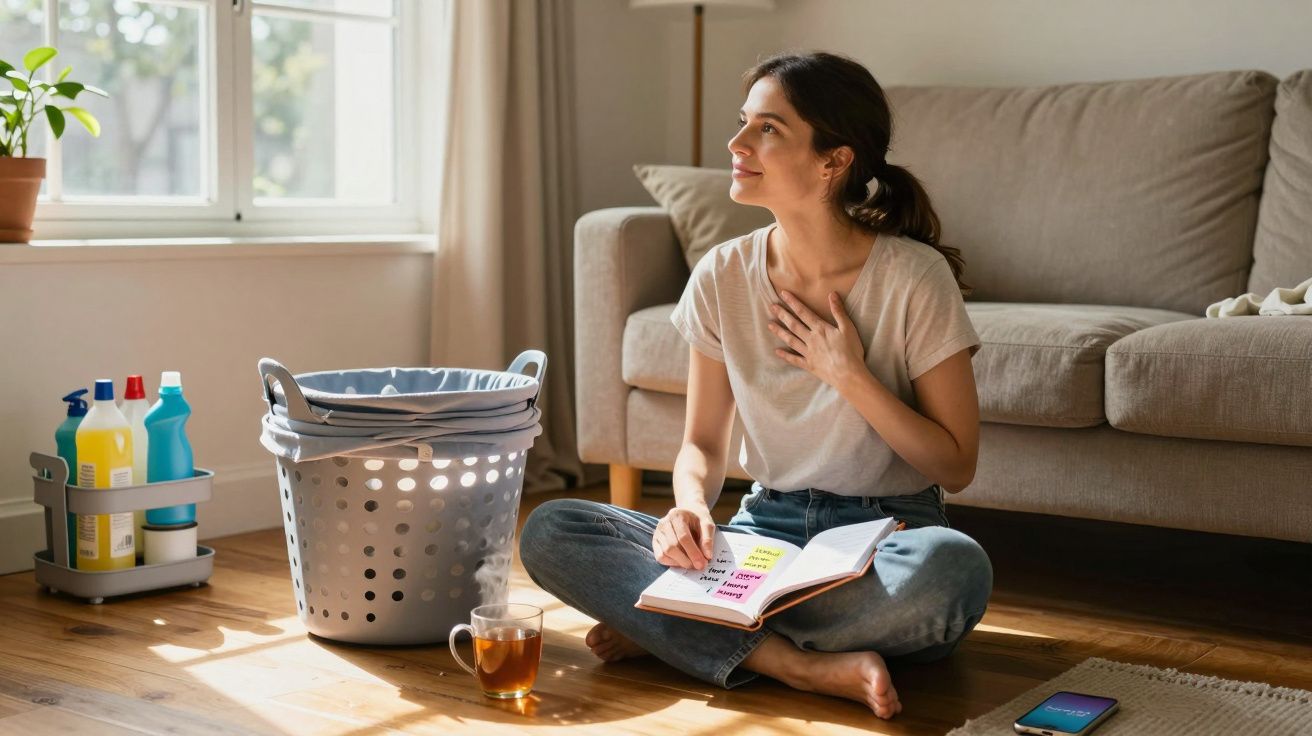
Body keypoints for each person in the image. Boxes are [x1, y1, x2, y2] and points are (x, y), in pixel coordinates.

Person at [519, 51, 992, 720]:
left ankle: (684, 628)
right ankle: (792, 663)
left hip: (886, 533)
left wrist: (847, 375)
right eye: (744, 124)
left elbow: (957, 464)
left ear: (834, 161)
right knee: (551, 528)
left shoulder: (914, 278)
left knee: (954, 575)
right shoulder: (722, 273)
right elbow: (702, 446)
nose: (738, 144)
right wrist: (688, 508)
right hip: (762, 530)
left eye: (768, 129)